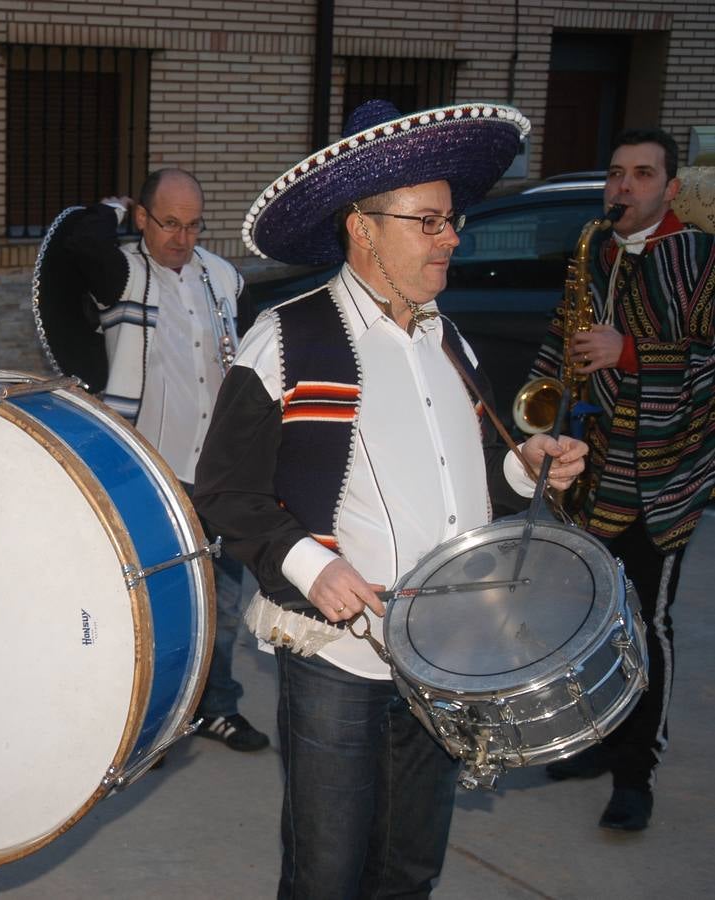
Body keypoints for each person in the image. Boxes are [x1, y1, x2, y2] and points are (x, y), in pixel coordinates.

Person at [193, 99, 588, 898]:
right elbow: (225, 490)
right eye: (429, 221)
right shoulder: (287, 336)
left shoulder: (449, 337)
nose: (451, 236)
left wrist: (525, 468)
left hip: (447, 654)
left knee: (409, 866)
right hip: (342, 655)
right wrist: (308, 566)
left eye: (451, 219)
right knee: (328, 873)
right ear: (362, 228)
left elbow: (467, 468)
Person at [36, 168, 268, 752]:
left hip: (216, 469)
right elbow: (76, 243)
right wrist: (110, 209)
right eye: (168, 223)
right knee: (148, 601)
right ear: (143, 218)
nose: (181, 238)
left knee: (222, 600)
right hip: (146, 468)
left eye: (193, 226)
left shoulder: (222, 278)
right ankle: (154, 721)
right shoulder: (122, 273)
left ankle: (217, 708)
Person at [532, 128, 715, 831]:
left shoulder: (699, 258)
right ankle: (601, 740)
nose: (623, 187)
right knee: (598, 618)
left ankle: (635, 771)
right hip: (593, 472)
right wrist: (540, 405)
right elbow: (560, 338)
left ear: (670, 189)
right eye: (614, 174)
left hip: (663, 478)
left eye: (642, 175)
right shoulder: (597, 251)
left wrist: (629, 351)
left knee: (650, 622)